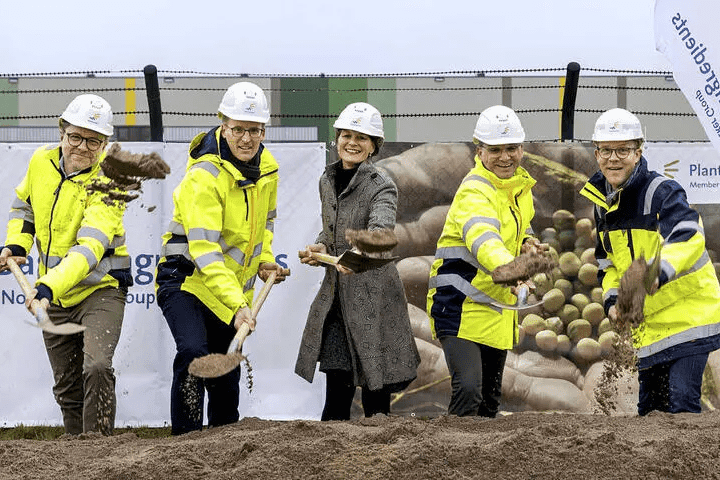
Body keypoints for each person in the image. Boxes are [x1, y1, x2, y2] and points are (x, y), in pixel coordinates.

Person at [155, 81, 288, 435]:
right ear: (223, 125)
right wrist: (236, 305)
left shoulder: (268, 169)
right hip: (186, 280)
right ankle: (185, 444)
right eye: (239, 129)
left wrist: (266, 259)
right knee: (195, 354)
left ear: (264, 131)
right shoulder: (204, 176)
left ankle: (225, 447)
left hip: (225, 290)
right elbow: (205, 251)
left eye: (255, 130)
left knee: (227, 371)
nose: (247, 138)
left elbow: (265, 226)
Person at [0, 94, 131, 435]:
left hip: (100, 290)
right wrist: (17, 243)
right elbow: (23, 207)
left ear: (105, 144)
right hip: (56, 295)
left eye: (94, 140)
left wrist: (45, 287)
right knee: (67, 384)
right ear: (62, 132)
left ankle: (99, 449)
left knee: (98, 367)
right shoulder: (40, 161)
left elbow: (89, 250)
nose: (82, 147)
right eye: (75, 136)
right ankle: (76, 455)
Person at [580, 108, 720, 415]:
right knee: (651, 411)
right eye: (606, 150)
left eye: (623, 150)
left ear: (638, 152)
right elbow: (608, 265)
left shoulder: (662, 191)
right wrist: (614, 303)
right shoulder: (603, 206)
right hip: (650, 326)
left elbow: (688, 234)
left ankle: (689, 464)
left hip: (688, 316)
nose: (613, 158)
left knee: (680, 403)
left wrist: (658, 272)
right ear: (596, 153)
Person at [295, 102, 420, 420]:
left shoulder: (382, 186)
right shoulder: (326, 180)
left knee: (376, 397)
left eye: (362, 138)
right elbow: (331, 232)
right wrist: (319, 249)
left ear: (373, 146)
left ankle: (380, 464)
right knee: (337, 387)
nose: (352, 142)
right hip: (338, 298)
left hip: (374, 298)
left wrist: (358, 256)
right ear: (337, 138)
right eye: (346, 135)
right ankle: (329, 462)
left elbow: (380, 233)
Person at [426, 105, 542, 417]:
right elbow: (483, 239)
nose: (505, 157)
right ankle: (449, 459)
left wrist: (528, 240)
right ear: (480, 151)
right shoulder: (474, 190)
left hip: (496, 308)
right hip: (459, 305)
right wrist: (513, 269)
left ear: (522, 149)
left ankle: (481, 465)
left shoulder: (518, 187)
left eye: (512, 148)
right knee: (469, 390)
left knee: (489, 400)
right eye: (495, 150)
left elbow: (517, 224)